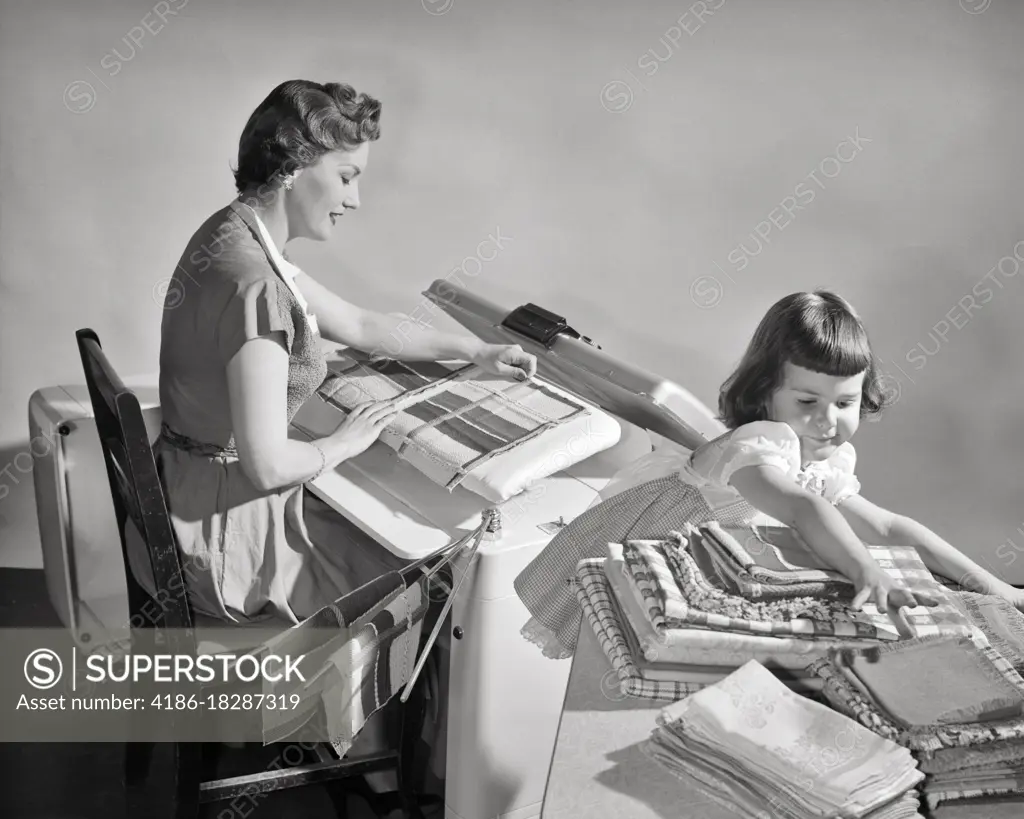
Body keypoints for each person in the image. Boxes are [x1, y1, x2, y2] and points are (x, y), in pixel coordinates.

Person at [127, 78, 537, 626]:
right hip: (224, 537)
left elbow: (362, 325)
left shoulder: (233, 234)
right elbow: (269, 464)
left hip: (189, 495)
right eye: (347, 177)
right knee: (436, 583)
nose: (354, 198)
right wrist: (342, 444)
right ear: (294, 167)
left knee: (389, 542)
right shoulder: (256, 285)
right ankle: (372, 707)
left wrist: (474, 348)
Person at [514, 290, 1023, 659]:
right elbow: (802, 509)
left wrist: (989, 583)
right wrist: (866, 569)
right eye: (807, 401)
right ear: (764, 394)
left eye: (844, 402)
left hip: (718, 565)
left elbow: (888, 526)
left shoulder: (819, 458)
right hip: (659, 561)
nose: (827, 421)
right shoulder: (761, 441)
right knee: (639, 657)